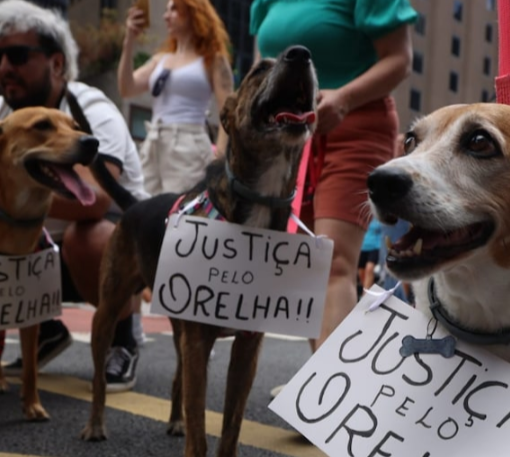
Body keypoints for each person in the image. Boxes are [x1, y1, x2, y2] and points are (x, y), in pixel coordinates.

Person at [0, 0, 148, 391]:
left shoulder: (92, 109)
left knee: (88, 235)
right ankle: (43, 330)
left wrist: (6, 195)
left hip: (105, 248)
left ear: (57, 63)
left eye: (18, 55)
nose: (4, 66)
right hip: (33, 248)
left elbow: (94, 200)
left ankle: (121, 338)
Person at [251, 0, 416, 359]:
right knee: (302, 264)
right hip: (285, 136)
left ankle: (328, 400)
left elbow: (400, 59)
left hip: (353, 125)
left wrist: (343, 99)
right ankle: (324, 388)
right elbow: (259, 68)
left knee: (333, 261)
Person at [118, 0, 233, 195]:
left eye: (174, 9)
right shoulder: (160, 59)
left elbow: (228, 111)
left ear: (193, 13)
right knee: (144, 209)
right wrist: (129, 40)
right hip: (153, 142)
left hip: (189, 146)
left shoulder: (213, 59)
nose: (166, 16)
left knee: (177, 213)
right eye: (165, 10)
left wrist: (220, 158)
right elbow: (127, 88)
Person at [358, 217, 383, 296]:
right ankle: (369, 292)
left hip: (375, 246)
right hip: (363, 246)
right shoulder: (362, 215)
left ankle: (364, 296)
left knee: (369, 269)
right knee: (361, 273)